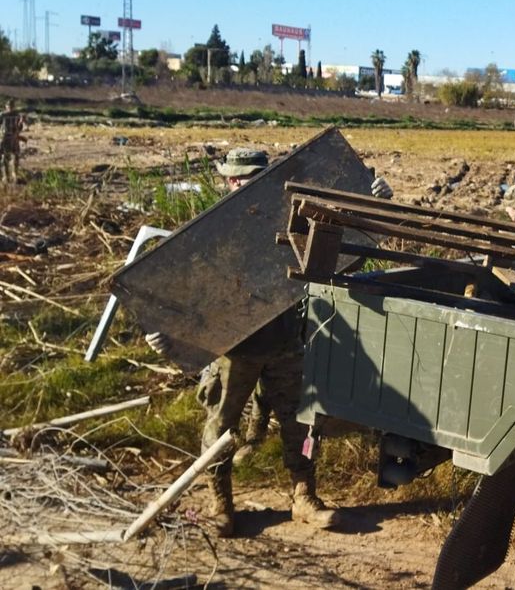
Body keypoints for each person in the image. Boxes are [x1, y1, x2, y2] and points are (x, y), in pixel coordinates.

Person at [148, 148, 394, 537]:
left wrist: (371, 207)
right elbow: (182, 288)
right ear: (229, 183)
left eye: (256, 179)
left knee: (301, 425)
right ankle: (220, 503)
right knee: (220, 428)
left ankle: (303, 497)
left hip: (285, 343)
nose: (247, 186)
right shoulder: (213, 234)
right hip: (233, 349)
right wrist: (168, 335)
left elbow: (339, 258)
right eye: (241, 179)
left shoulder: (291, 225)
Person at [1, 100, 27, 184]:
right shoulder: (2, 115)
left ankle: (15, 175)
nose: (10, 108)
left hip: (14, 137)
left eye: (11, 106)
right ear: (6, 107)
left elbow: (20, 128)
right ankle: (6, 176)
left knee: (16, 156)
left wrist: (21, 122)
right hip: (5, 137)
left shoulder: (17, 115)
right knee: (5, 157)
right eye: (8, 106)